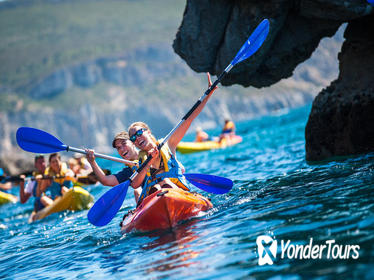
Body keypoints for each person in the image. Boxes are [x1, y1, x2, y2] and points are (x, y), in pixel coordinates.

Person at [128, 73, 217, 204]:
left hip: (177, 193)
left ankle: (164, 191)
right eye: (133, 138)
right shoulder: (140, 162)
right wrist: (148, 162)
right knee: (156, 187)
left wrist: (208, 94)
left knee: (165, 182)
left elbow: (189, 119)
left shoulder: (169, 144)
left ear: (148, 131)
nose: (137, 138)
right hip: (155, 199)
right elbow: (135, 184)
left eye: (139, 133)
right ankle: (159, 193)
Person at [85, 131, 152, 203]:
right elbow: (105, 180)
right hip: (152, 198)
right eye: (118, 148)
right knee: (137, 192)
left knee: (137, 191)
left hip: (163, 187)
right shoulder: (129, 172)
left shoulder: (151, 153)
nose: (122, 149)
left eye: (124, 144)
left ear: (133, 142)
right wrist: (92, 162)